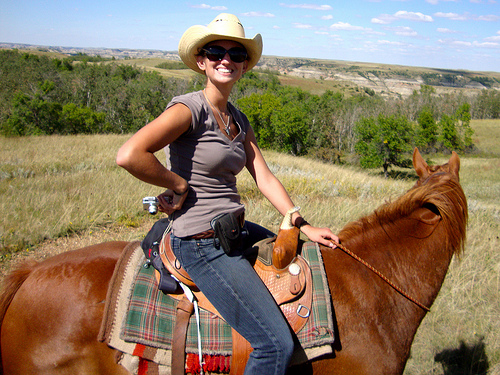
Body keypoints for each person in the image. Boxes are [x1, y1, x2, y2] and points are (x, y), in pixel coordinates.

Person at [116, 13, 339, 375]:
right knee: (274, 345)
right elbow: (129, 154)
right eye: (216, 51)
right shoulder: (189, 109)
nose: (226, 59)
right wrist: (177, 184)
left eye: (236, 54)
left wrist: (303, 223)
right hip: (202, 244)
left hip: (234, 229)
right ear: (202, 62)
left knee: (299, 258)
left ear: (245, 66)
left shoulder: (237, 118)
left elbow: (263, 176)